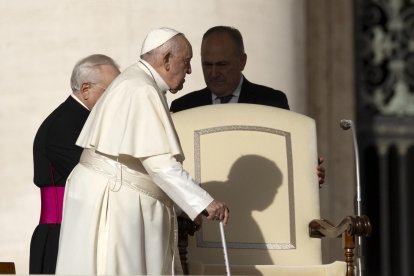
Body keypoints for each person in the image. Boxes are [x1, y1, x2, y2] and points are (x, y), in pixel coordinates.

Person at [55, 27, 229, 275]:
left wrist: (183, 207)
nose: (189, 71)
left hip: (108, 191)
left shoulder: (136, 81)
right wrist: (204, 202)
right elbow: (160, 165)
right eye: (186, 62)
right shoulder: (141, 89)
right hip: (115, 200)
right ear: (167, 59)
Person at [170, 25, 325, 184]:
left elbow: (285, 158)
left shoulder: (271, 103)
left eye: (222, 64)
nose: (214, 73)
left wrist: (307, 175)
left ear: (242, 61)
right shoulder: (184, 108)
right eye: (207, 65)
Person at [29, 54, 120, 274]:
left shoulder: (83, 119)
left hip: (80, 229)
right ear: (86, 88)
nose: (118, 98)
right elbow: (95, 175)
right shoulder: (64, 124)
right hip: (60, 235)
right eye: (112, 91)